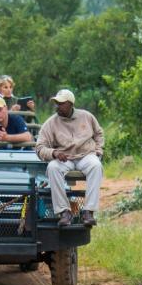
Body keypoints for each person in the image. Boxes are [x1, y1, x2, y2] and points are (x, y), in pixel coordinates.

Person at [35, 89, 103, 227]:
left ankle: (88, 211)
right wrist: (54, 153)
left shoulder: (86, 116)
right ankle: (64, 212)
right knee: (53, 167)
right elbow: (40, 147)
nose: (57, 106)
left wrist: (98, 150)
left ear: (70, 104)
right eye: (56, 103)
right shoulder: (50, 123)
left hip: (86, 155)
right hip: (64, 158)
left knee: (96, 166)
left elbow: (99, 133)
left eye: (61, 103)